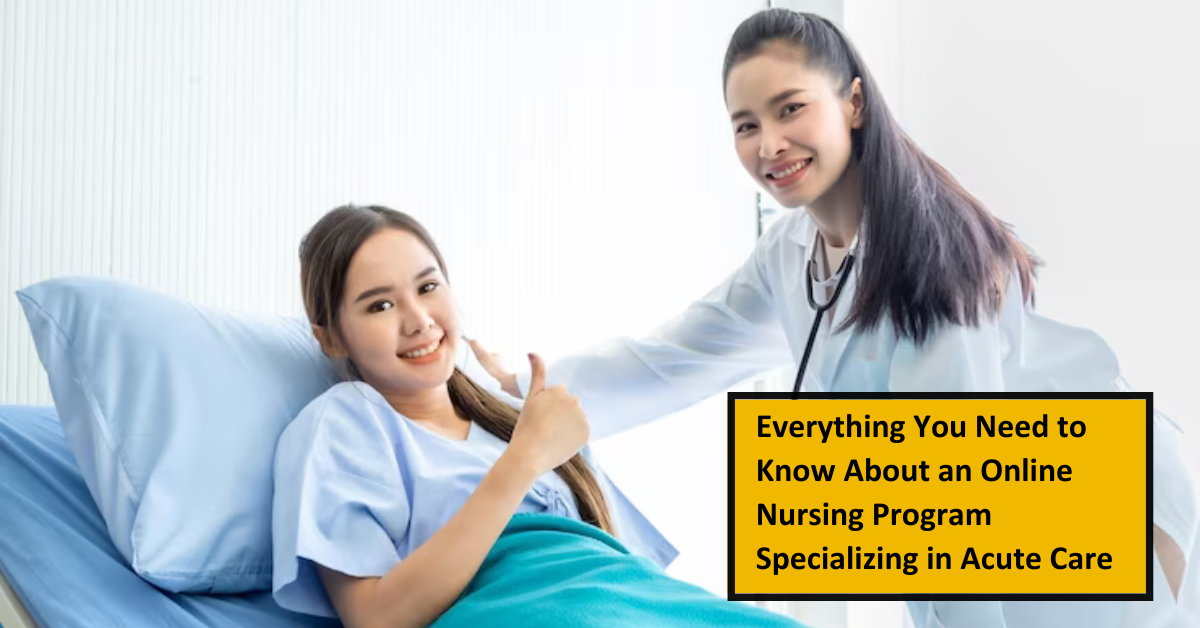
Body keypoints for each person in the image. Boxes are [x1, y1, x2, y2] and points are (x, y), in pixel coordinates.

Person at [468, 8, 1198, 627]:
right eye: (745, 125)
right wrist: (525, 391)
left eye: (791, 109)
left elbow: (954, 494)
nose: (769, 145)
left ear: (852, 102)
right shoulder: (793, 249)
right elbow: (674, 357)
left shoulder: (931, 264)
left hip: (1102, 508)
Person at [270, 204, 807, 628]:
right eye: (380, 305)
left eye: (428, 287)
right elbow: (376, 617)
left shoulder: (509, 417)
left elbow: (621, 571)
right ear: (330, 336)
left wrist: (524, 430)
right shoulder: (348, 423)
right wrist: (523, 459)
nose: (418, 320)